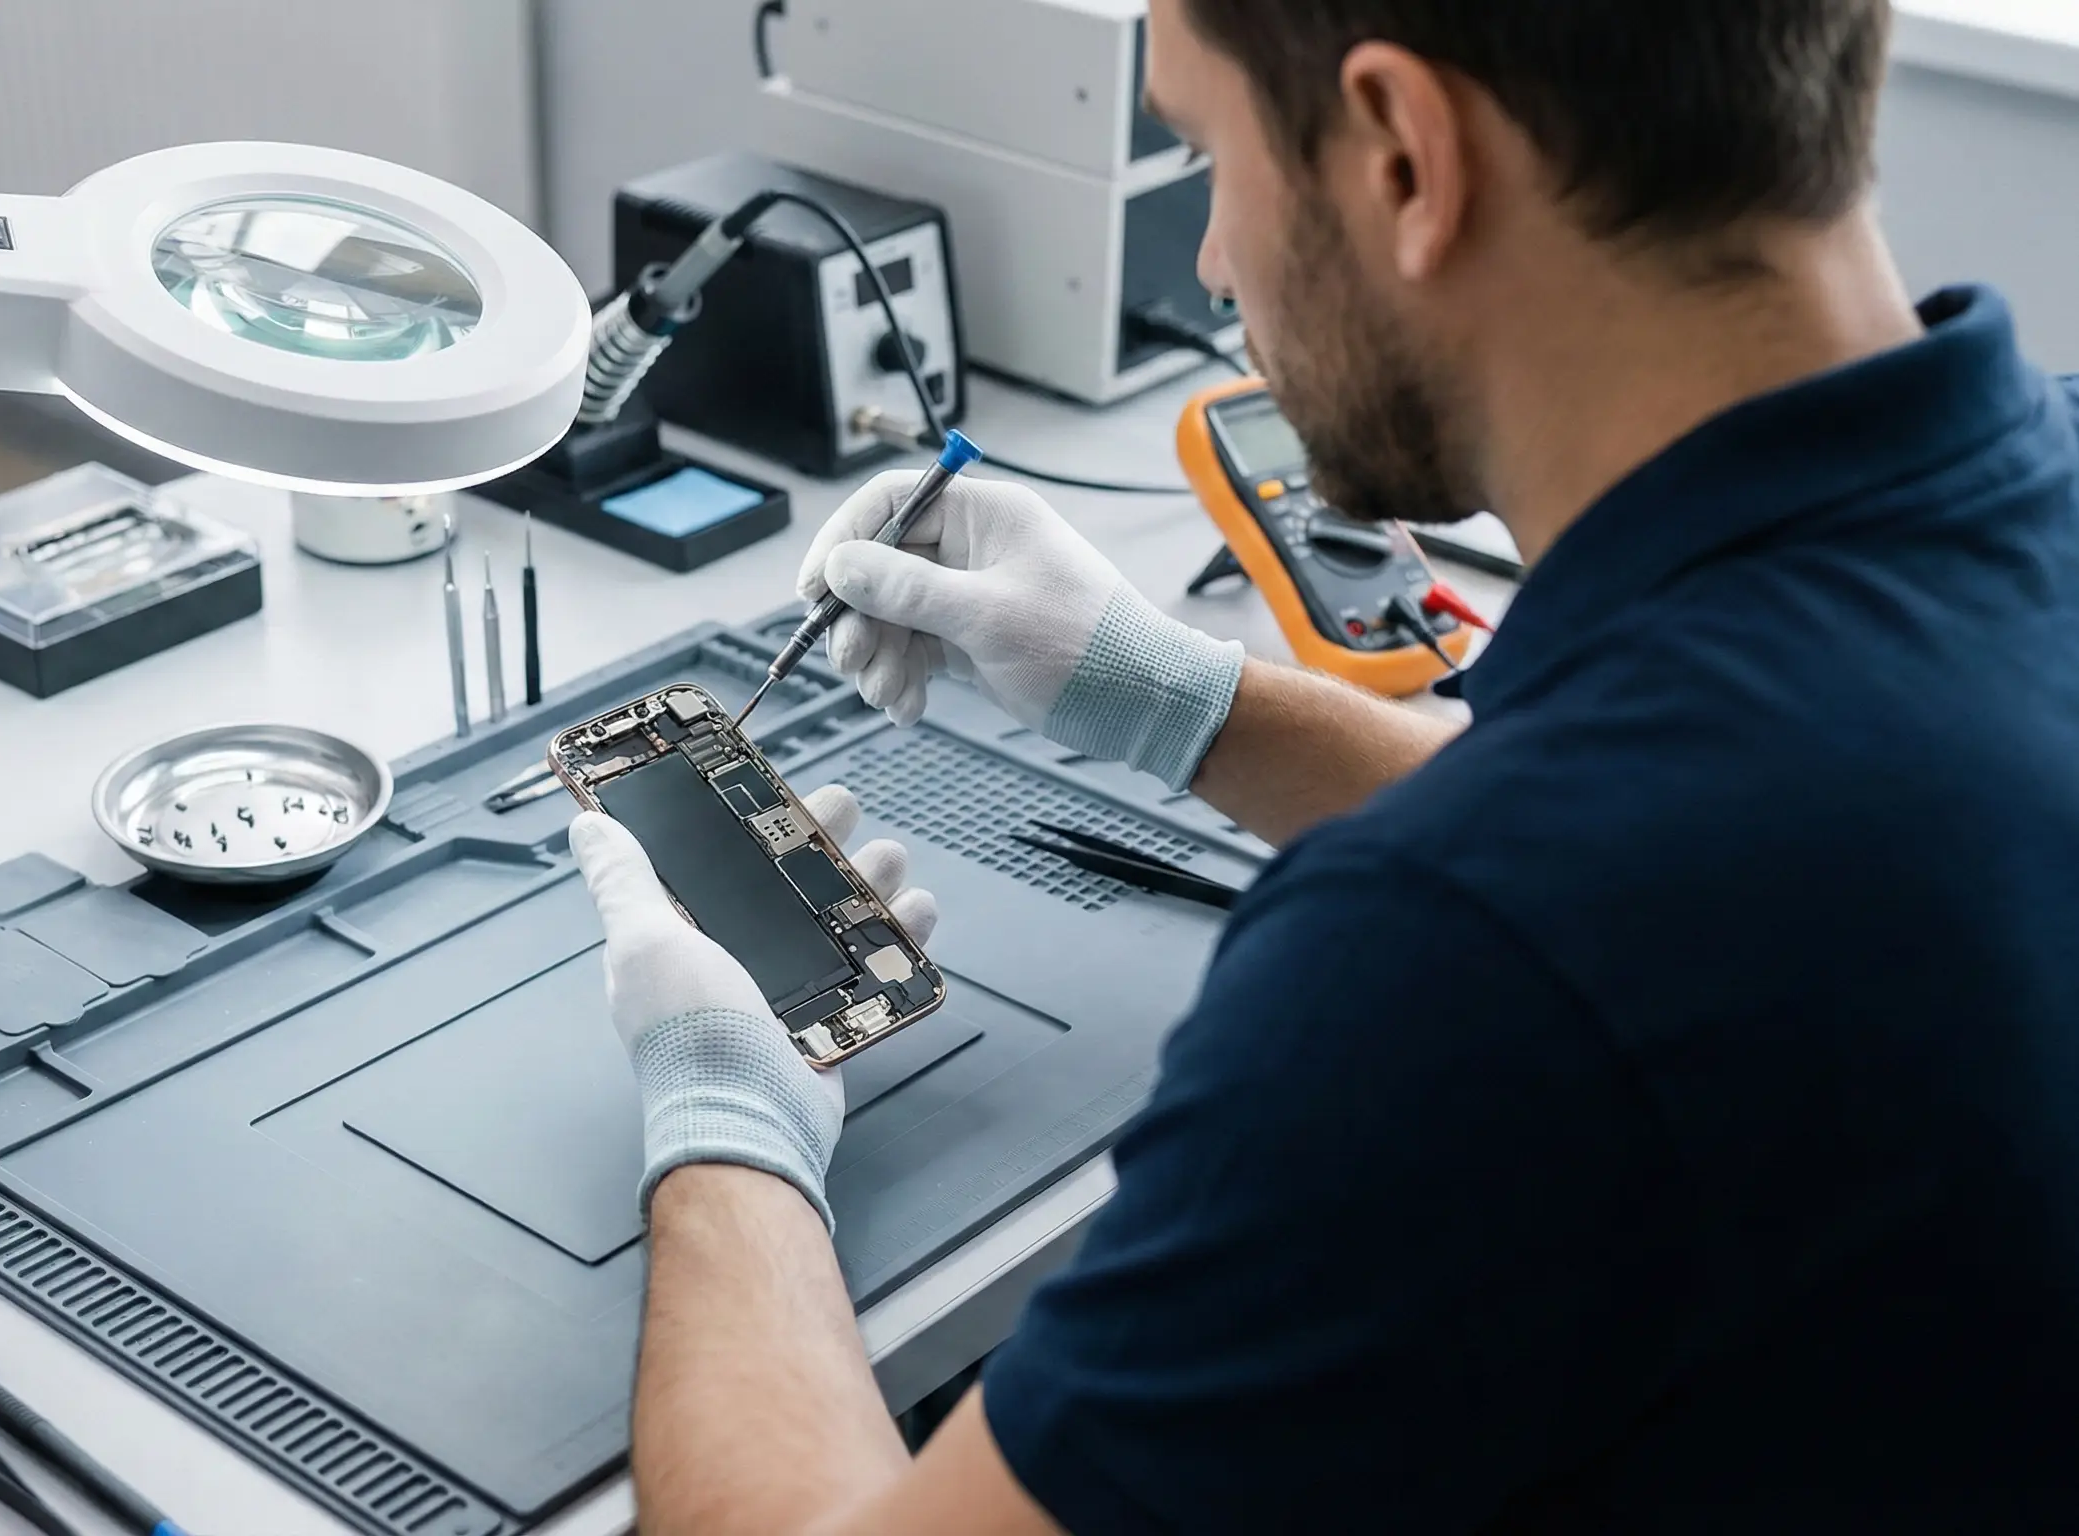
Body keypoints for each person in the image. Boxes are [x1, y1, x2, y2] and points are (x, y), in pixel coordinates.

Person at [565, 0, 2079, 1528]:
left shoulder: (1457, 975)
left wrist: (725, 1110)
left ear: (1407, 158)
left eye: (1209, 151)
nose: (1215, 264)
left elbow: (1576, 911)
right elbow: (1731, 841)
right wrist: (1172, 696)